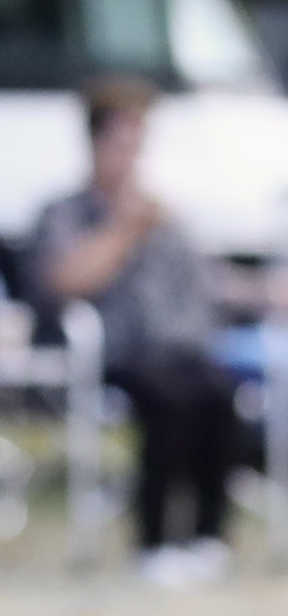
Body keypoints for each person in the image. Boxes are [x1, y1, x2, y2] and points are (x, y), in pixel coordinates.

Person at [31, 73, 255, 581]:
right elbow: (64, 281)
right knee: (168, 401)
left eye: (137, 146)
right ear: (95, 144)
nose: (131, 158)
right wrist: (124, 228)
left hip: (180, 350)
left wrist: (263, 290)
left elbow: (209, 283)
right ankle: (154, 542)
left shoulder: (163, 218)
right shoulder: (67, 213)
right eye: (121, 145)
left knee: (218, 395)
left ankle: (208, 538)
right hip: (115, 355)